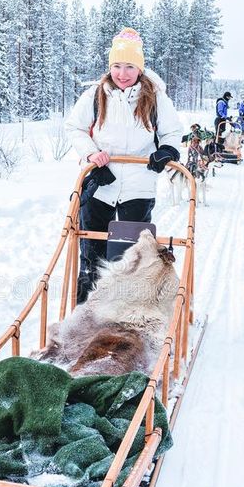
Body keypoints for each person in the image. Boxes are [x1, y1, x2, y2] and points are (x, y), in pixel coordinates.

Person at [65, 27, 182, 303]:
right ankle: (85, 311)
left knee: (130, 255)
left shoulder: (155, 97)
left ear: (139, 68)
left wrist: (166, 150)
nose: (123, 73)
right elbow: (75, 128)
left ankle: (123, 313)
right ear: (109, 66)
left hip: (138, 187)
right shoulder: (96, 95)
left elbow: (172, 132)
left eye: (130, 66)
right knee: (92, 252)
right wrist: (92, 155)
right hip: (100, 184)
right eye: (117, 66)